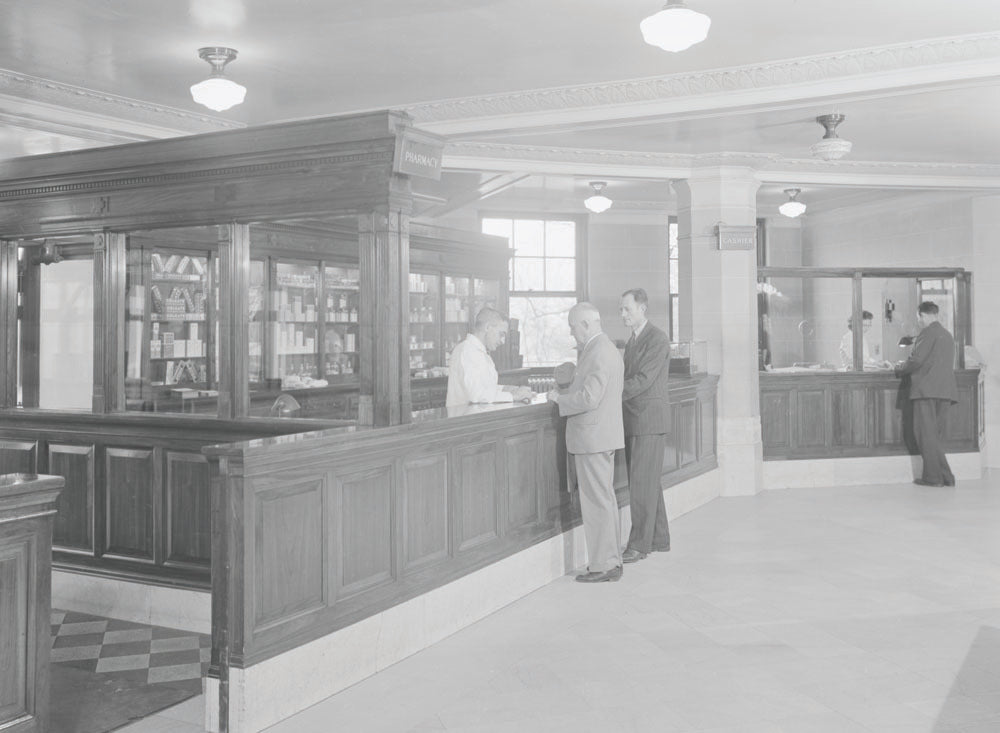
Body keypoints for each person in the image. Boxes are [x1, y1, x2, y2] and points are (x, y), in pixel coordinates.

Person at [547, 303, 625, 583]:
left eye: (572, 327)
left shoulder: (598, 351)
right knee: (604, 500)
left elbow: (590, 398)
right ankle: (610, 561)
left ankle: (604, 565)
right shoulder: (603, 349)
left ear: (585, 324)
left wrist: (560, 400)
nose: (571, 333)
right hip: (599, 436)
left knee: (596, 502)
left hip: (593, 438)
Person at [618, 289, 672, 563]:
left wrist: (611, 391)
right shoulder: (633, 341)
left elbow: (643, 380)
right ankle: (659, 538)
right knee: (648, 483)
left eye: (627, 309)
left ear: (643, 308)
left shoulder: (657, 339)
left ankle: (638, 546)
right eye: (622, 310)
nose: (623, 314)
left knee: (641, 484)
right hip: (636, 419)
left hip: (649, 420)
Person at [894, 301, 959, 487]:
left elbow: (916, 361)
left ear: (922, 315)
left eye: (919, 318)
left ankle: (933, 478)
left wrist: (899, 368)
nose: (919, 321)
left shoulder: (927, 333)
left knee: (925, 434)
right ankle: (946, 477)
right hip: (945, 391)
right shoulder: (947, 335)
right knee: (933, 436)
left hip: (926, 390)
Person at [446, 307, 533, 406]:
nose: (502, 341)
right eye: (501, 334)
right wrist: (513, 396)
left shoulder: (481, 353)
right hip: (465, 419)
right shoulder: (467, 351)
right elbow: (476, 394)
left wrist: (508, 389)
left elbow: (486, 388)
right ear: (487, 327)